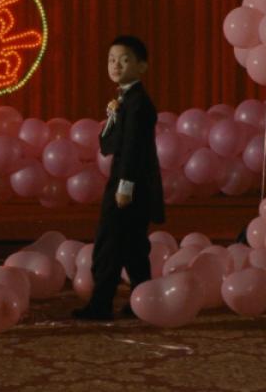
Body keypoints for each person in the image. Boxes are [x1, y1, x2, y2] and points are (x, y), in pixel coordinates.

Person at [73, 36, 165, 321]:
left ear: (142, 66)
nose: (116, 65)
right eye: (112, 59)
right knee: (133, 246)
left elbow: (132, 151)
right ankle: (145, 301)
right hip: (131, 183)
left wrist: (124, 187)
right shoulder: (126, 100)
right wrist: (112, 116)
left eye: (124, 60)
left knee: (109, 243)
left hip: (129, 184)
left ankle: (100, 304)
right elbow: (108, 145)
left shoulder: (138, 104)